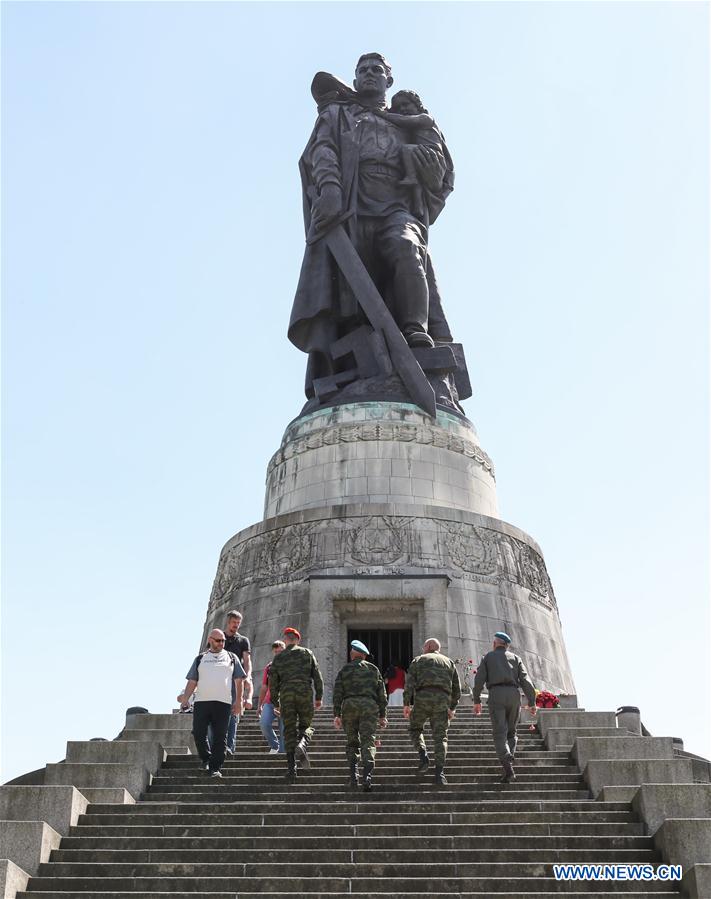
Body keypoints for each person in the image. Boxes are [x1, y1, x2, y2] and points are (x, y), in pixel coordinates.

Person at [290, 52, 456, 398]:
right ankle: (357, 371)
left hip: (395, 206)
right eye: (362, 70)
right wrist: (331, 188)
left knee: (407, 247)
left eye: (376, 70)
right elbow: (322, 152)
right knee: (351, 294)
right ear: (354, 80)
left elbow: (439, 174)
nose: (369, 74)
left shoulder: (407, 121)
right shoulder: (338, 115)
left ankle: (415, 333)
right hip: (351, 207)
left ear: (388, 80)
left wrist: (430, 168)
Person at [179, 629, 246, 778]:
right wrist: (185, 699)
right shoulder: (200, 658)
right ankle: (206, 758)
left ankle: (215, 768)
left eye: (223, 641)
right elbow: (192, 681)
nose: (221, 643)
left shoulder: (231, 657)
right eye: (218, 641)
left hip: (223, 703)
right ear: (210, 640)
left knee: (220, 736)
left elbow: (239, 681)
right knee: (198, 732)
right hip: (202, 702)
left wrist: (239, 701)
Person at [472, 631, 537, 783]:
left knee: (499, 732)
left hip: (496, 694)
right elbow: (526, 681)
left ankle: (506, 754)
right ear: (506, 645)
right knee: (511, 732)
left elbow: (479, 680)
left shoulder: (488, 657)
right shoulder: (516, 658)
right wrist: (532, 702)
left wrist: (476, 700)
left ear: (495, 643)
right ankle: (509, 770)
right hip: (514, 695)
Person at [268, 626, 324, 783]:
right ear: (298, 639)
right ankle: (303, 743)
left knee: (289, 731)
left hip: (286, 693)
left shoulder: (278, 657)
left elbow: (272, 682)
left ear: (285, 640)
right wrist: (318, 697)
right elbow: (317, 676)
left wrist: (276, 702)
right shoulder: (307, 653)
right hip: (305, 692)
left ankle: (291, 769)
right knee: (306, 726)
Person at [403, 637, 460, 785]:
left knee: (415, 728)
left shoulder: (418, 660)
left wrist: (406, 704)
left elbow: (409, 684)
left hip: (422, 698)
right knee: (441, 738)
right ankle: (439, 774)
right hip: (442, 701)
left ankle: (423, 754)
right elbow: (457, 689)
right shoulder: (449, 662)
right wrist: (452, 708)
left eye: (424, 646)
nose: (423, 649)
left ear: (428, 646)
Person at [333, 639, 387, 792]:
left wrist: (337, 714)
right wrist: (383, 715)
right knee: (368, 741)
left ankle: (353, 776)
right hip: (369, 706)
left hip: (349, 706)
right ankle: (367, 776)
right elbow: (382, 694)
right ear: (364, 655)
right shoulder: (373, 669)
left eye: (351, 652)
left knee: (352, 742)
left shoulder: (344, 670)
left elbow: (338, 693)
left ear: (353, 654)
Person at [374, 90, 445, 187]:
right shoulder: (406, 129)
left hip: (431, 155)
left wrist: (384, 114)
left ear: (417, 105)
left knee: (407, 149)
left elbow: (403, 120)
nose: (402, 109)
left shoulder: (426, 119)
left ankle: (411, 177)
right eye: (397, 108)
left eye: (406, 104)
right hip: (420, 153)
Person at [222, 610, 252, 754]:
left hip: (235, 681)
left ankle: (229, 747)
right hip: (219, 680)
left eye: (238, 623)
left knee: (233, 714)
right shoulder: (218, 638)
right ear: (228, 622)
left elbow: (247, 660)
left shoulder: (243, 640)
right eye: (234, 622)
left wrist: (247, 676)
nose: (236, 626)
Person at [258, 640, 286, 753]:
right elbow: (264, 686)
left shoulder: (291, 666)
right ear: (273, 652)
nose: (278, 654)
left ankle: (282, 754)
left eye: (281, 651)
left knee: (284, 730)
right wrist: (260, 705)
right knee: (264, 724)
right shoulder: (269, 667)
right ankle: (275, 746)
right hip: (270, 702)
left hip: (286, 703)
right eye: (276, 652)